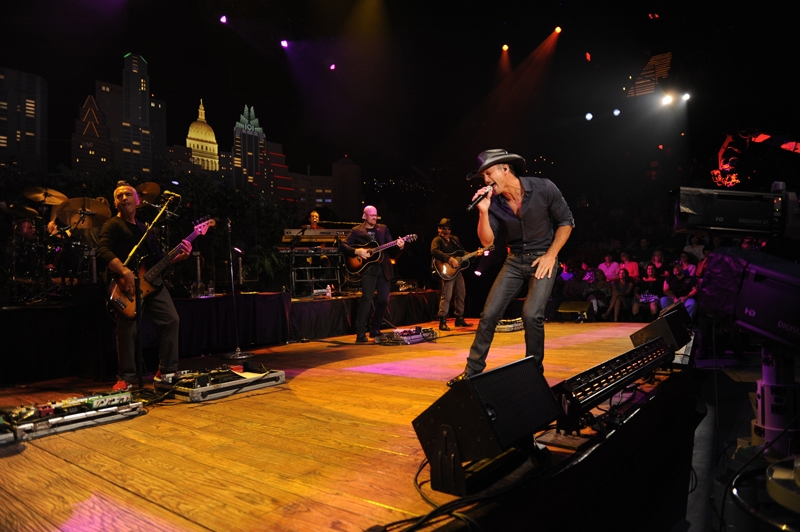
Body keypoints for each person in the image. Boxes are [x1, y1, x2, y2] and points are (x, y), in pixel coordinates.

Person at [448, 149, 574, 386]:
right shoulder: (494, 203)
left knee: (531, 314)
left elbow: (567, 222)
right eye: (483, 176)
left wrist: (551, 255)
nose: (486, 180)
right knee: (488, 315)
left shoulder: (544, 187)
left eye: (489, 173)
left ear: (505, 168)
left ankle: (534, 372)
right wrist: (483, 211)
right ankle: (473, 371)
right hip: (515, 260)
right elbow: (487, 242)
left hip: (543, 258)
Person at [97, 183, 192, 391]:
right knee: (127, 329)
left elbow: (158, 259)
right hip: (126, 286)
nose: (124, 198)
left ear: (138, 200)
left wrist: (179, 257)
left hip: (151, 283)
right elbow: (102, 251)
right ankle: (125, 377)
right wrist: (124, 271)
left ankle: (167, 370)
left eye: (128, 194)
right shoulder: (113, 225)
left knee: (171, 320)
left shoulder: (144, 229)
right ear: (115, 203)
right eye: (119, 196)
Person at [340, 205, 405, 343]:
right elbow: (343, 245)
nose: (375, 217)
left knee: (384, 300)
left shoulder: (383, 228)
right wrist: (357, 251)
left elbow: (390, 247)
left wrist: (399, 245)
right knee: (367, 300)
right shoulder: (357, 230)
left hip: (383, 269)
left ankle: (374, 328)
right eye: (372, 215)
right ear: (364, 216)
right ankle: (360, 333)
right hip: (368, 270)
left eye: (376, 215)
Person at [430, 218, 470, 331]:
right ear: (439, 229)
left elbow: (462, 252)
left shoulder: (454, 240)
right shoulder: (437, 240)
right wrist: (449, 259)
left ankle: (459, 318)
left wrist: (475, 253)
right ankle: (442, 320)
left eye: (448, 229)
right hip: (447, 271)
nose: (446, 231)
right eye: (443, 228)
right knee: (446, 295)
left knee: (461, 293)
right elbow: (434, 251)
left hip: (457, 271)